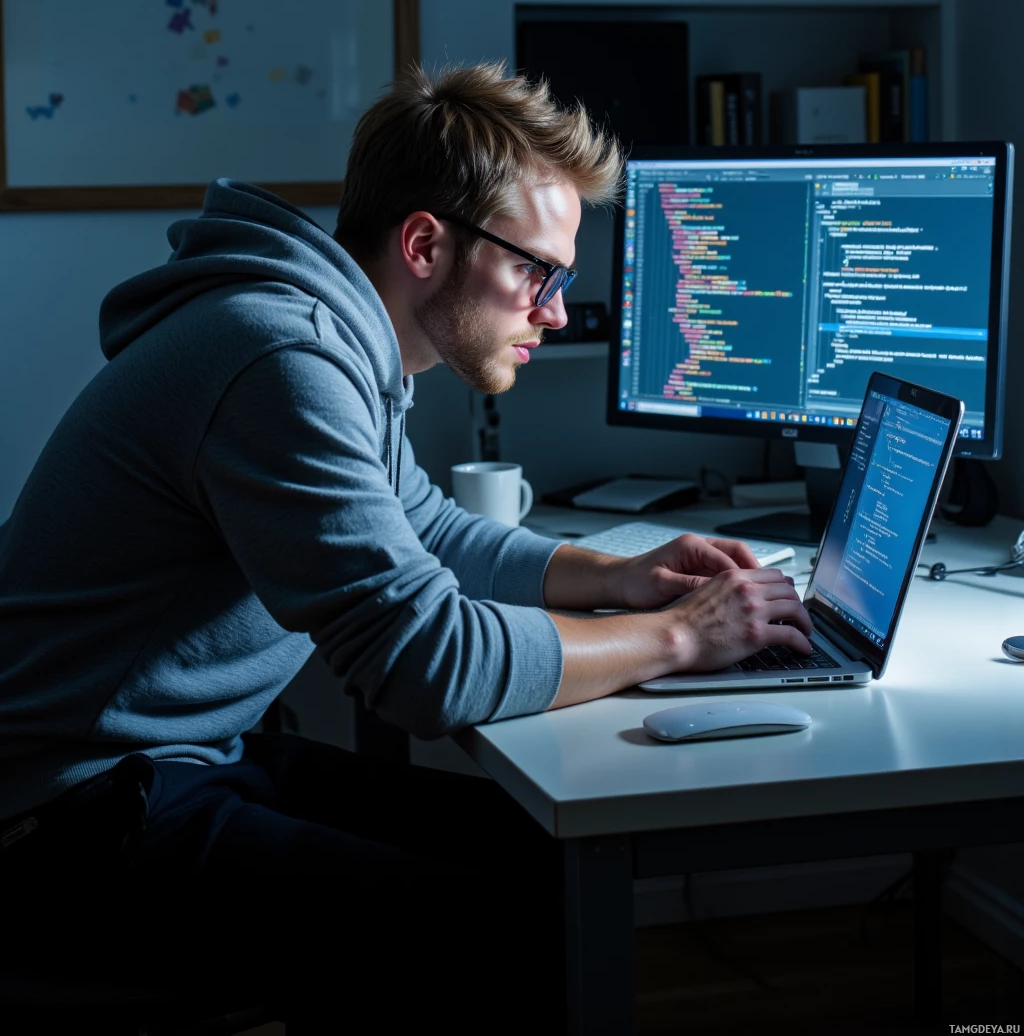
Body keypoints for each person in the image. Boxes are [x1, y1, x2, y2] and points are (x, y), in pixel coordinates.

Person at [0, 62, 812, 1029]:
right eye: (535, 273)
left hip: (171, 761)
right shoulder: (282, 358)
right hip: (65, 820)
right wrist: (685, 636)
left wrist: (621, 577)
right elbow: (428, 666)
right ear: (426, 243)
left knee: (540, 850)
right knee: (492, 922)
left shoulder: (326, 333)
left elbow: (422, 528)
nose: (554, 310)